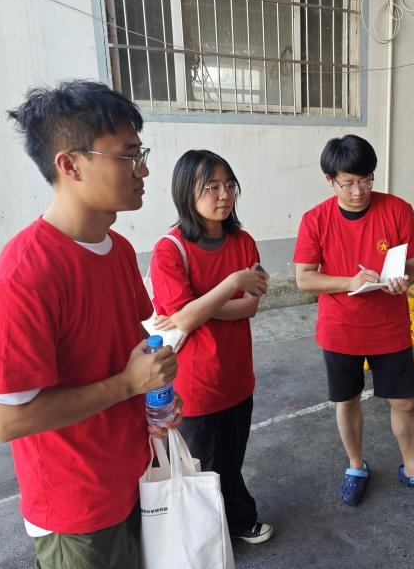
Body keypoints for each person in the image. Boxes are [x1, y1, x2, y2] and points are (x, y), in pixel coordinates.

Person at [0, 80, 182, 569]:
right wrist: (127, 384)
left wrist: (155, 390)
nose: (143, 170)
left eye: (141, 153)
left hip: (135, 477)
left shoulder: (119, 251)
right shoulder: (24, 276)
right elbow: (3, 422)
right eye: (128, 155)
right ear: (70, 165)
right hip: (78, 512)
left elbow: (131, 350)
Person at [293, 134, 414, 506]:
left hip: (389, 327)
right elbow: (304, 278)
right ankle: (355, 466)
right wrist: (348, 282)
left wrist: (405, 279)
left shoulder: (397, 210)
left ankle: (413, 468)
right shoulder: (315, 219)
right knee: (347, 401)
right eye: (348, 183)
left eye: (365, 180)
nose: (358, 191)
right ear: (330, 180)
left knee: (405, 402)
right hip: (340, 329)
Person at [149, 149, 274, 544]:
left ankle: (236, 521)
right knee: (201, 468)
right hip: (195, 385)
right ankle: (206, 540)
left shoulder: (244, 242)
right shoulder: (170, 249)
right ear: (187, 192)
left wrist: (195, 307)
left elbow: (250, 307)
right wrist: (231, 284)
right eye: (211, 187)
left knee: (232, 461)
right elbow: (186, 320)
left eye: (229, 185)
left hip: (237, 377)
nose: (224, 195)